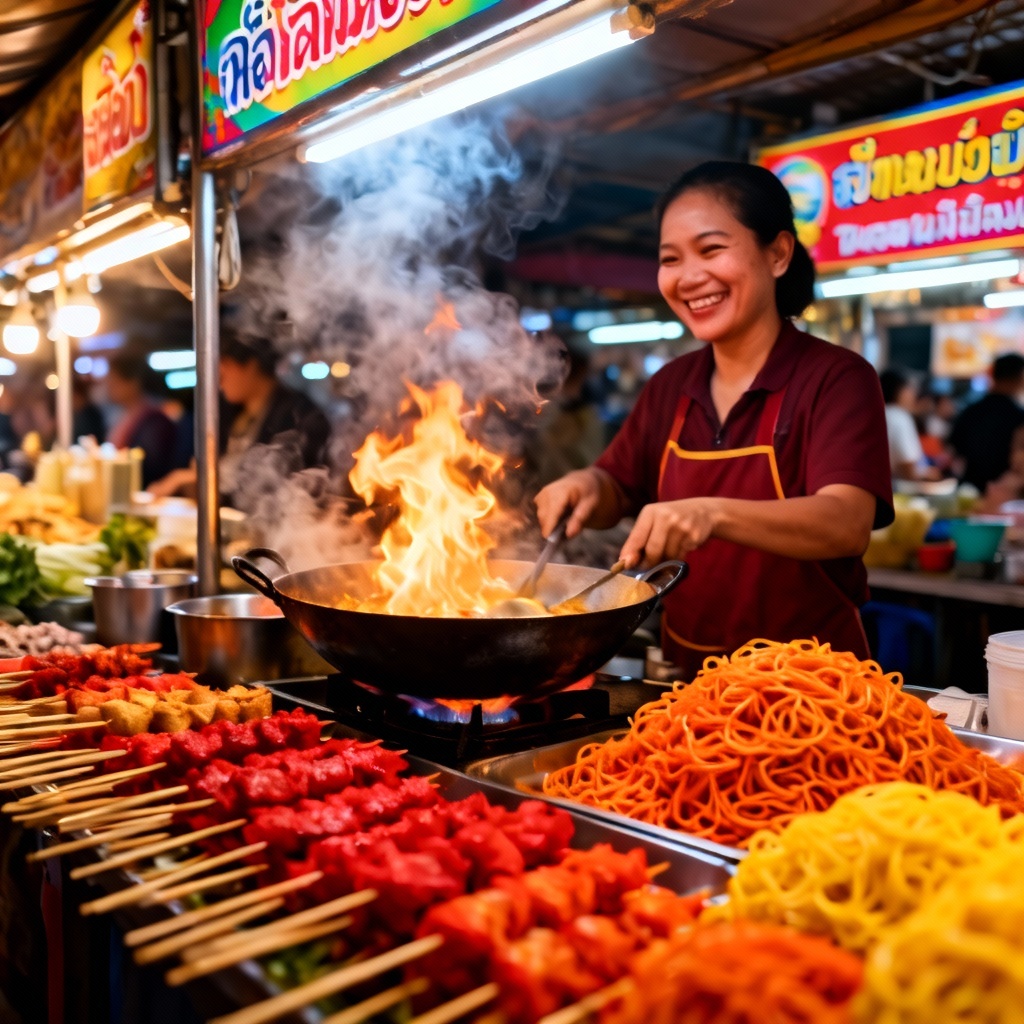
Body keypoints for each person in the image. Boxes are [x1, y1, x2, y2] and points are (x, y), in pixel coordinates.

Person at [535, 161, 893, 679]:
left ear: (778, 253)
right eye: (670, 259)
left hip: (817, 688)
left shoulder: (836, 377)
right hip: (689, 682)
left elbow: (846, 522)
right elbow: (619, 483)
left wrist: (711, 514)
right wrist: (586, 485)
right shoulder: (671, 386)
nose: (690, 276)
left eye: (711, 249)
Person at [148, 329, 330, 507]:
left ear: (251, 366)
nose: (219, 380)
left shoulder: (299, 415)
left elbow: (278, 489)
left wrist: (204, 479)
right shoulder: (231, 412)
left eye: (224, 368)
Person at [949, 353, 1024, 492]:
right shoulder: (1019, 416)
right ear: (1020, 378)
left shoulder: (971, 411)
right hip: (1006, 491)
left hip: (969, 491)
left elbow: (954, 449)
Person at [105, 351, 178, 488]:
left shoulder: (155, 421)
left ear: (133, 382)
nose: (108, 387)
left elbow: (149, 467)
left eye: (113, 381)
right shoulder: (123, 415)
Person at [879, 368, 938, 482]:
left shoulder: (879, 413)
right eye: (909, 388)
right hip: (900, 489)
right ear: (897, 390)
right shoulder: (899, 416)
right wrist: (928, 475)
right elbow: (907, 466)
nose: (913, 394)